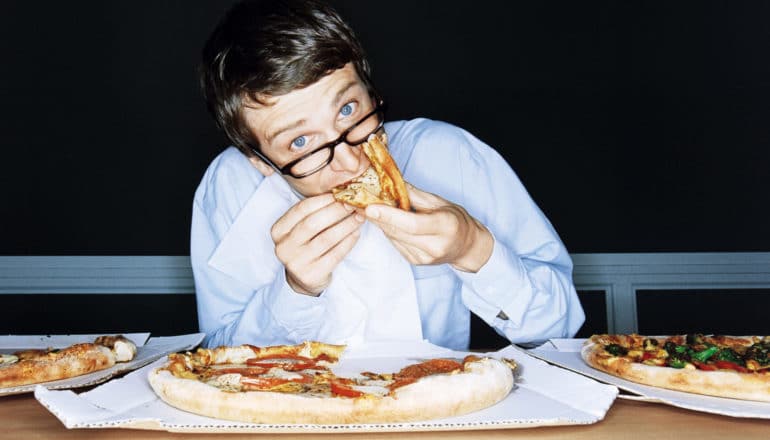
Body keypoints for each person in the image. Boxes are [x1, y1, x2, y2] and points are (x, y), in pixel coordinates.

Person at [191, 0, 585, 350]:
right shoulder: (229, 188)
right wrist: (295, 290)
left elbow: (561, 328)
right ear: (260, 160)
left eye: (347, 109)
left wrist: (472, 249)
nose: (350, 162)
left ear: (370, 89)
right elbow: (217, 362)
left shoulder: (450, 155)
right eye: (300, 142)